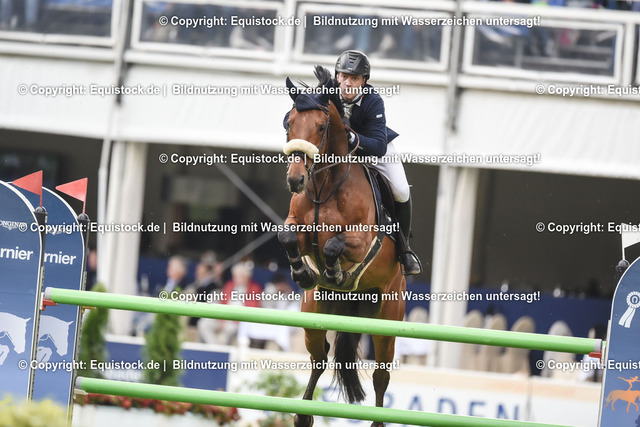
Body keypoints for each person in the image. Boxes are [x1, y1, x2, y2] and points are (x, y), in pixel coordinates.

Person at [333, 50, 422, 275]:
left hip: (375, 151)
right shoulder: (326, 93)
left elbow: (379, 146)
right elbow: (295, 114)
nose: (348, 83)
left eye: (354, 78)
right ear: (337, 77)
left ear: (363, 81)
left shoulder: (373, 100)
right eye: (344, 76)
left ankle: (404, 249)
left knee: (401, 190)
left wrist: (351, 138)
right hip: (342, 154)